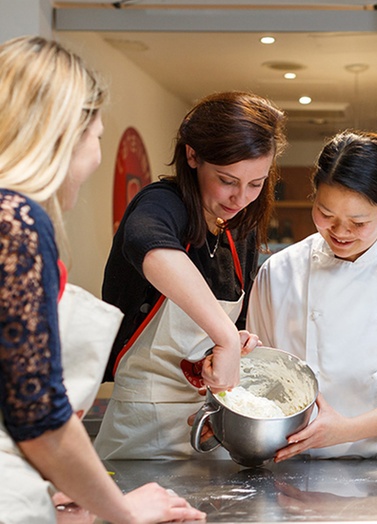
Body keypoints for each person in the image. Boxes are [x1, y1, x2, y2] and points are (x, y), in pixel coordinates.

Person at [0, 35, 204, 523]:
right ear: (63, 134)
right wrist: (121, 510)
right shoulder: (17, 222)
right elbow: (39, 419)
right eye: (96, 135)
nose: (95, 155)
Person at [94, 91, 286, 460]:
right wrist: (226, 337)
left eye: (256, 183)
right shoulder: (164, 203)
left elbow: (223, 330)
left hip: (211, 424)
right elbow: (146, 242)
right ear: (192, 155)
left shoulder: (237, 228)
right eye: (227, 180)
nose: (240, 198)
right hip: (141, 430)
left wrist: (228, 347)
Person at [246, 130, 377, 460]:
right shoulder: (280, 272)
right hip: (293, 463)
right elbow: (260, 374)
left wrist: (342, 430)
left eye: (358, 222)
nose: (340, 232)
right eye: (325, 214)